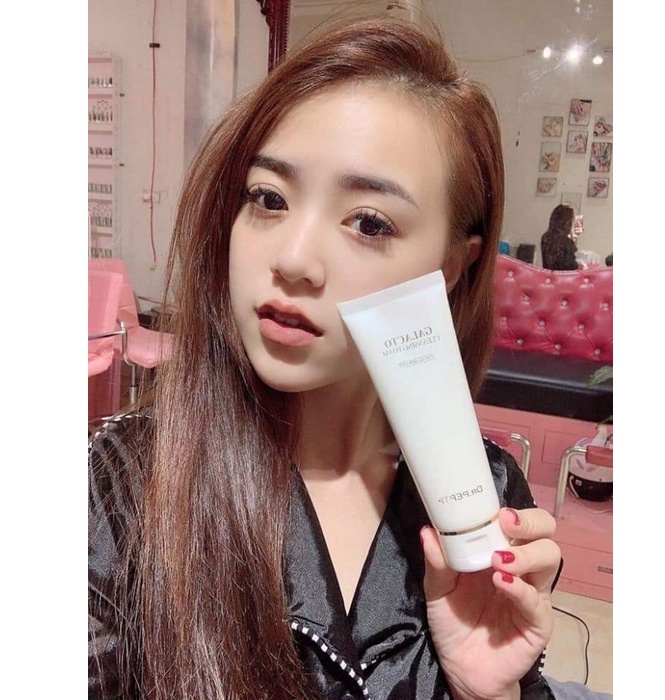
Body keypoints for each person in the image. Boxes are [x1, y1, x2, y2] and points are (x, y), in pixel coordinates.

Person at [89, 15, 570, 700]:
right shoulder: (122, 484)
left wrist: (488, 692)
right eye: (268, 198)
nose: (292, 259)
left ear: (453, 267)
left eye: (368, 222)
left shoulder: (484, 498)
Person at [540, 204, 578, 271]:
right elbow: (571, 266)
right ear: (567, 222)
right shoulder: (568, 242)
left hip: (548, 275)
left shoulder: (545, 237)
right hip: (563, 276)